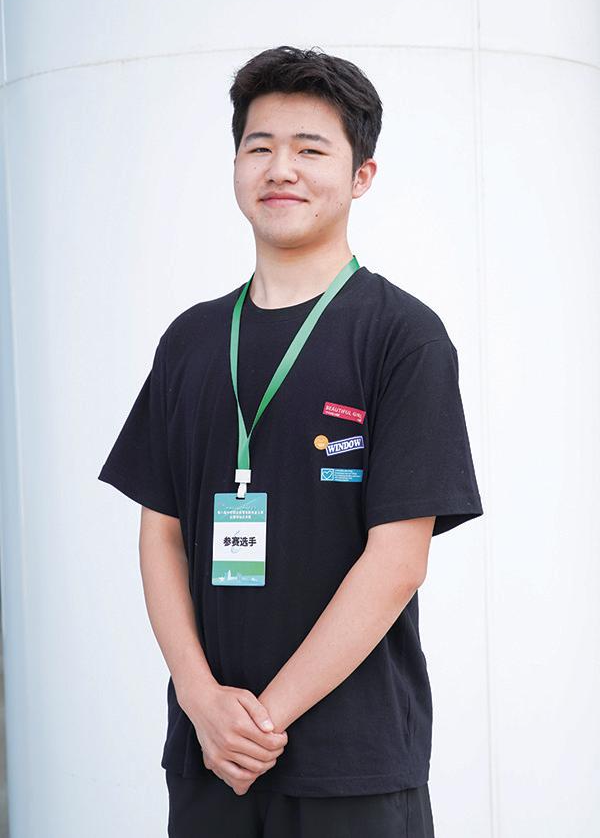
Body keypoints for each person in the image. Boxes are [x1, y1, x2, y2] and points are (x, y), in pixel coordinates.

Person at [98, 45, 484, 837]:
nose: (281, 169)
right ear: (236, 164)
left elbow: (398, 561)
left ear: (362, 176)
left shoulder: (402, 337)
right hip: (209, 757)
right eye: (259, 147)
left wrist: (262, 721)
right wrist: (201, 701)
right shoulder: (190, 341)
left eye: (311, 150)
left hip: (352, 763)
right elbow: (160, 533)